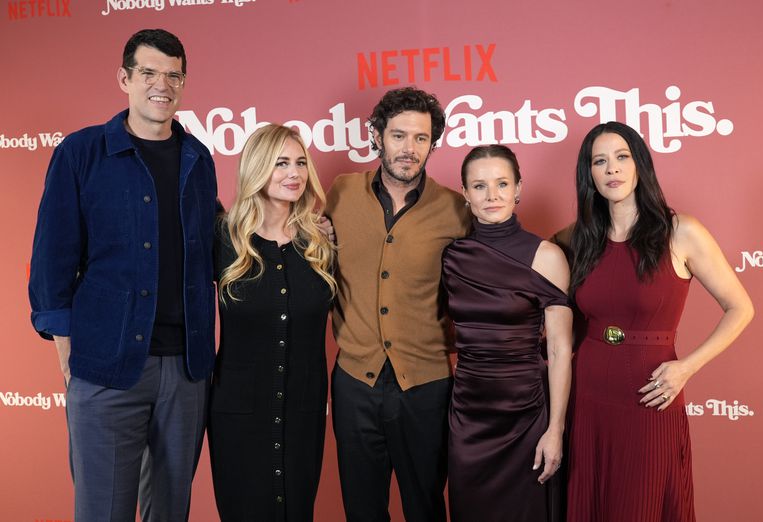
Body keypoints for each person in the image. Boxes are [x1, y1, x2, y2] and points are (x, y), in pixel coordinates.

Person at [28, 29, 217, 521]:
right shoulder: (81, 153)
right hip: (105, 367)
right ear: (124, 79)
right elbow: (52, 260)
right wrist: (68, 353)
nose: (163, 85)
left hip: (187, 370)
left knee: (170, 511)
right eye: (150, 73)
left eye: (174, 75)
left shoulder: (199, 159)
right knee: (103, 513)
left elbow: (216, 246)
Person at [556, 122, 754, 522]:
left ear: (639, 165)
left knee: (644, 504)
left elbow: (741, 308)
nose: (611, 169)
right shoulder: (576, 239)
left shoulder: (681, 232)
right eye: (599, 161)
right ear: (589, 175)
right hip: (589, 396)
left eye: (621, 157)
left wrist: (687, 367)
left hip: (650, 395)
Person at [326, 87, 471, 522]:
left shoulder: (455, 209)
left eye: (421, 138)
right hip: (354, 382)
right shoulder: (340, 193)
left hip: (426, 384)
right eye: (399, 135)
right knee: (362, 508)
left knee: (425, 505)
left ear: (432, 143)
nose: (409, 149)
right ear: (377, 135)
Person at [207, 124, 336, 521]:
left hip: (303, 414)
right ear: (257, 168)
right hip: (238, 418)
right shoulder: (223, 238)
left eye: (300, 162)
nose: (294, 173)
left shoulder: (321, 241)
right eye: (281, 163)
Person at [442, 145, 573, 522]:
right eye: (479, 186)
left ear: (518, 188)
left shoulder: (547, 256)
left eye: (502, 183)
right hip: (468, 416)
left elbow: (562, 351)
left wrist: (555, 431)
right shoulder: (452, 256)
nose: (492, 195)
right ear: (465, 194)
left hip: (526, 416)